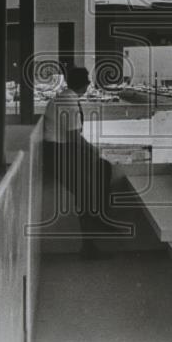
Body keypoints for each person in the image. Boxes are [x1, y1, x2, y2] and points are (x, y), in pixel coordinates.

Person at [42, 65, 119, 259]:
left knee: (100, 170)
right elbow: (73, 137)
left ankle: (98, 219)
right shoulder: (69, 103)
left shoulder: (61, 98)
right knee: (87, 189)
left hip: (57, 153)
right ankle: (94, 232)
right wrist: (93, 150)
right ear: (85, 85)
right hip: (60, 155)